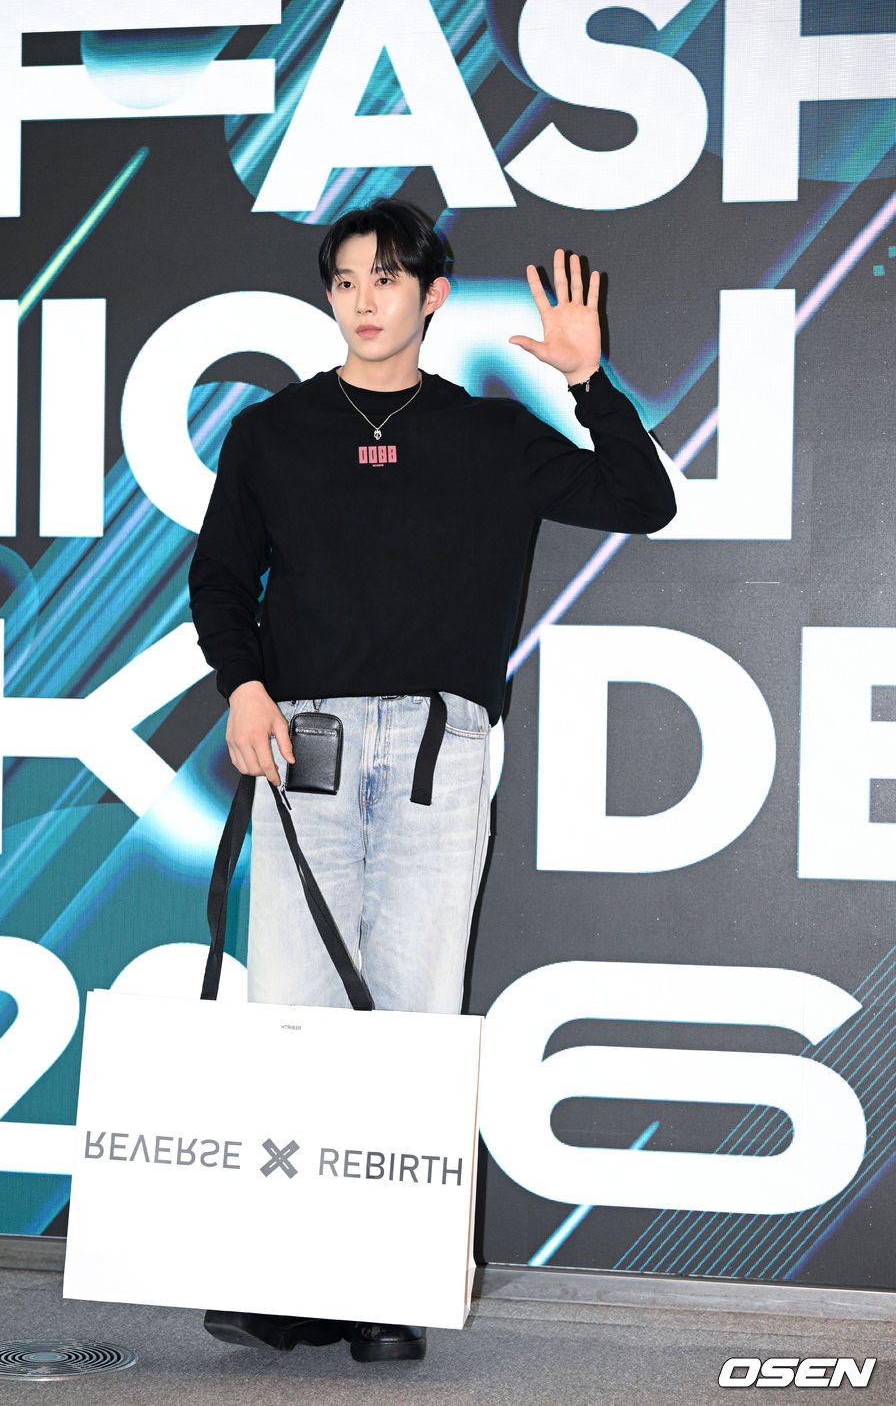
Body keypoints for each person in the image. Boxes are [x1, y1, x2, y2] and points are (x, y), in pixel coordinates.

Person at [188, 198, 676, 1362]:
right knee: (294, 1012)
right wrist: (242, 686)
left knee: (412, 1009)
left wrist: (588, 382)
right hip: (301, 742)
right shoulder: (272, 432)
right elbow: (220, 580)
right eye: (344, 281)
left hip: (435, 746)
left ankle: (384, 1287)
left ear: (431, 294)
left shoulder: (486, 434)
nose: (362, 300)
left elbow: (641, 502)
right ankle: (288, 1278)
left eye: (386, 279)